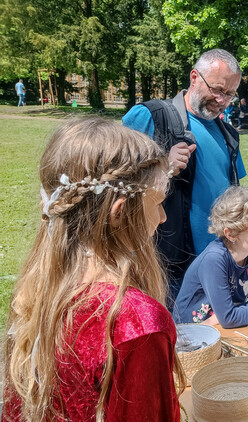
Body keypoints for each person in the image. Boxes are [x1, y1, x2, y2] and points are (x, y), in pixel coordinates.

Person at [2, 118, 185, 421]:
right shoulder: (136, 322)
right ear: (121, 213)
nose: (163, 217)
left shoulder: (39, 288)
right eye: (158, 203)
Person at [122, 49, 246, 304]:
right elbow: (112, 180)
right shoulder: (152, 115)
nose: (222, 100)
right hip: (164, 266)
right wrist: (163, 166)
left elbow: (235, 192)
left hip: (216, 264)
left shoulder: (229, 135)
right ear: (194, 77)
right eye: (217, 89)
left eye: (230, 94)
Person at [173, 186, 248, 329]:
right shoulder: (215, 259)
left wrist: (244, 312)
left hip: (220, 329)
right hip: (191, 333)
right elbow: (228, 318)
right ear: (231, 234)